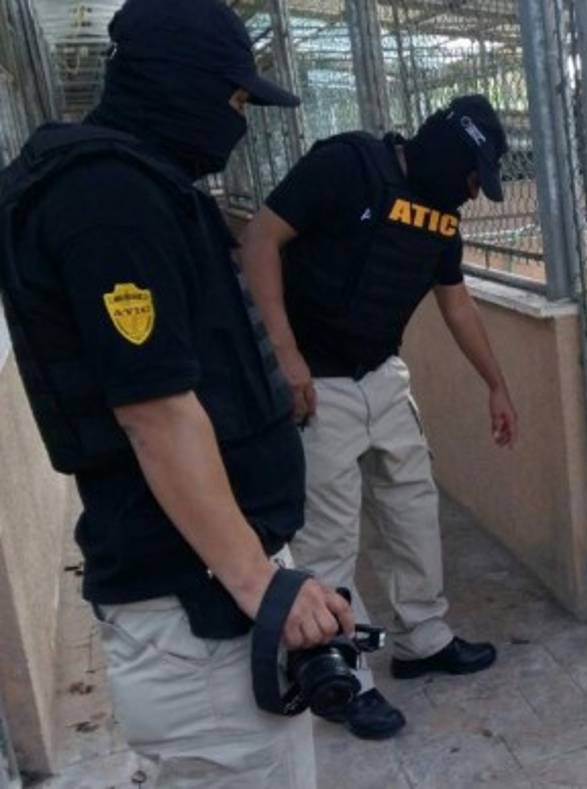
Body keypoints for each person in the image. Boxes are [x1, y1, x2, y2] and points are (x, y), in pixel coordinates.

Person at [0, 0, 356, 785]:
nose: (241, 124)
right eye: (235, 102)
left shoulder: (140, 184)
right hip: (197, 604)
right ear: (181, 84)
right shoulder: (106, 200)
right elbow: (153, 412)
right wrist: (258, 582)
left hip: (208, 582)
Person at [238, 95, 519, 740]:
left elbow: (457, 306)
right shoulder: (348, 164)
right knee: (331, 535)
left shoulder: (441, 216)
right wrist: (284, 353)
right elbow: (260, 238)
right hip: (318, 381)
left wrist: (496, 385)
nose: (475, 193)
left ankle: (423, 639)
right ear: (452, 151)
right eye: (474, 176)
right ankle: (347, 674)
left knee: (413, 507)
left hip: (382, 374)